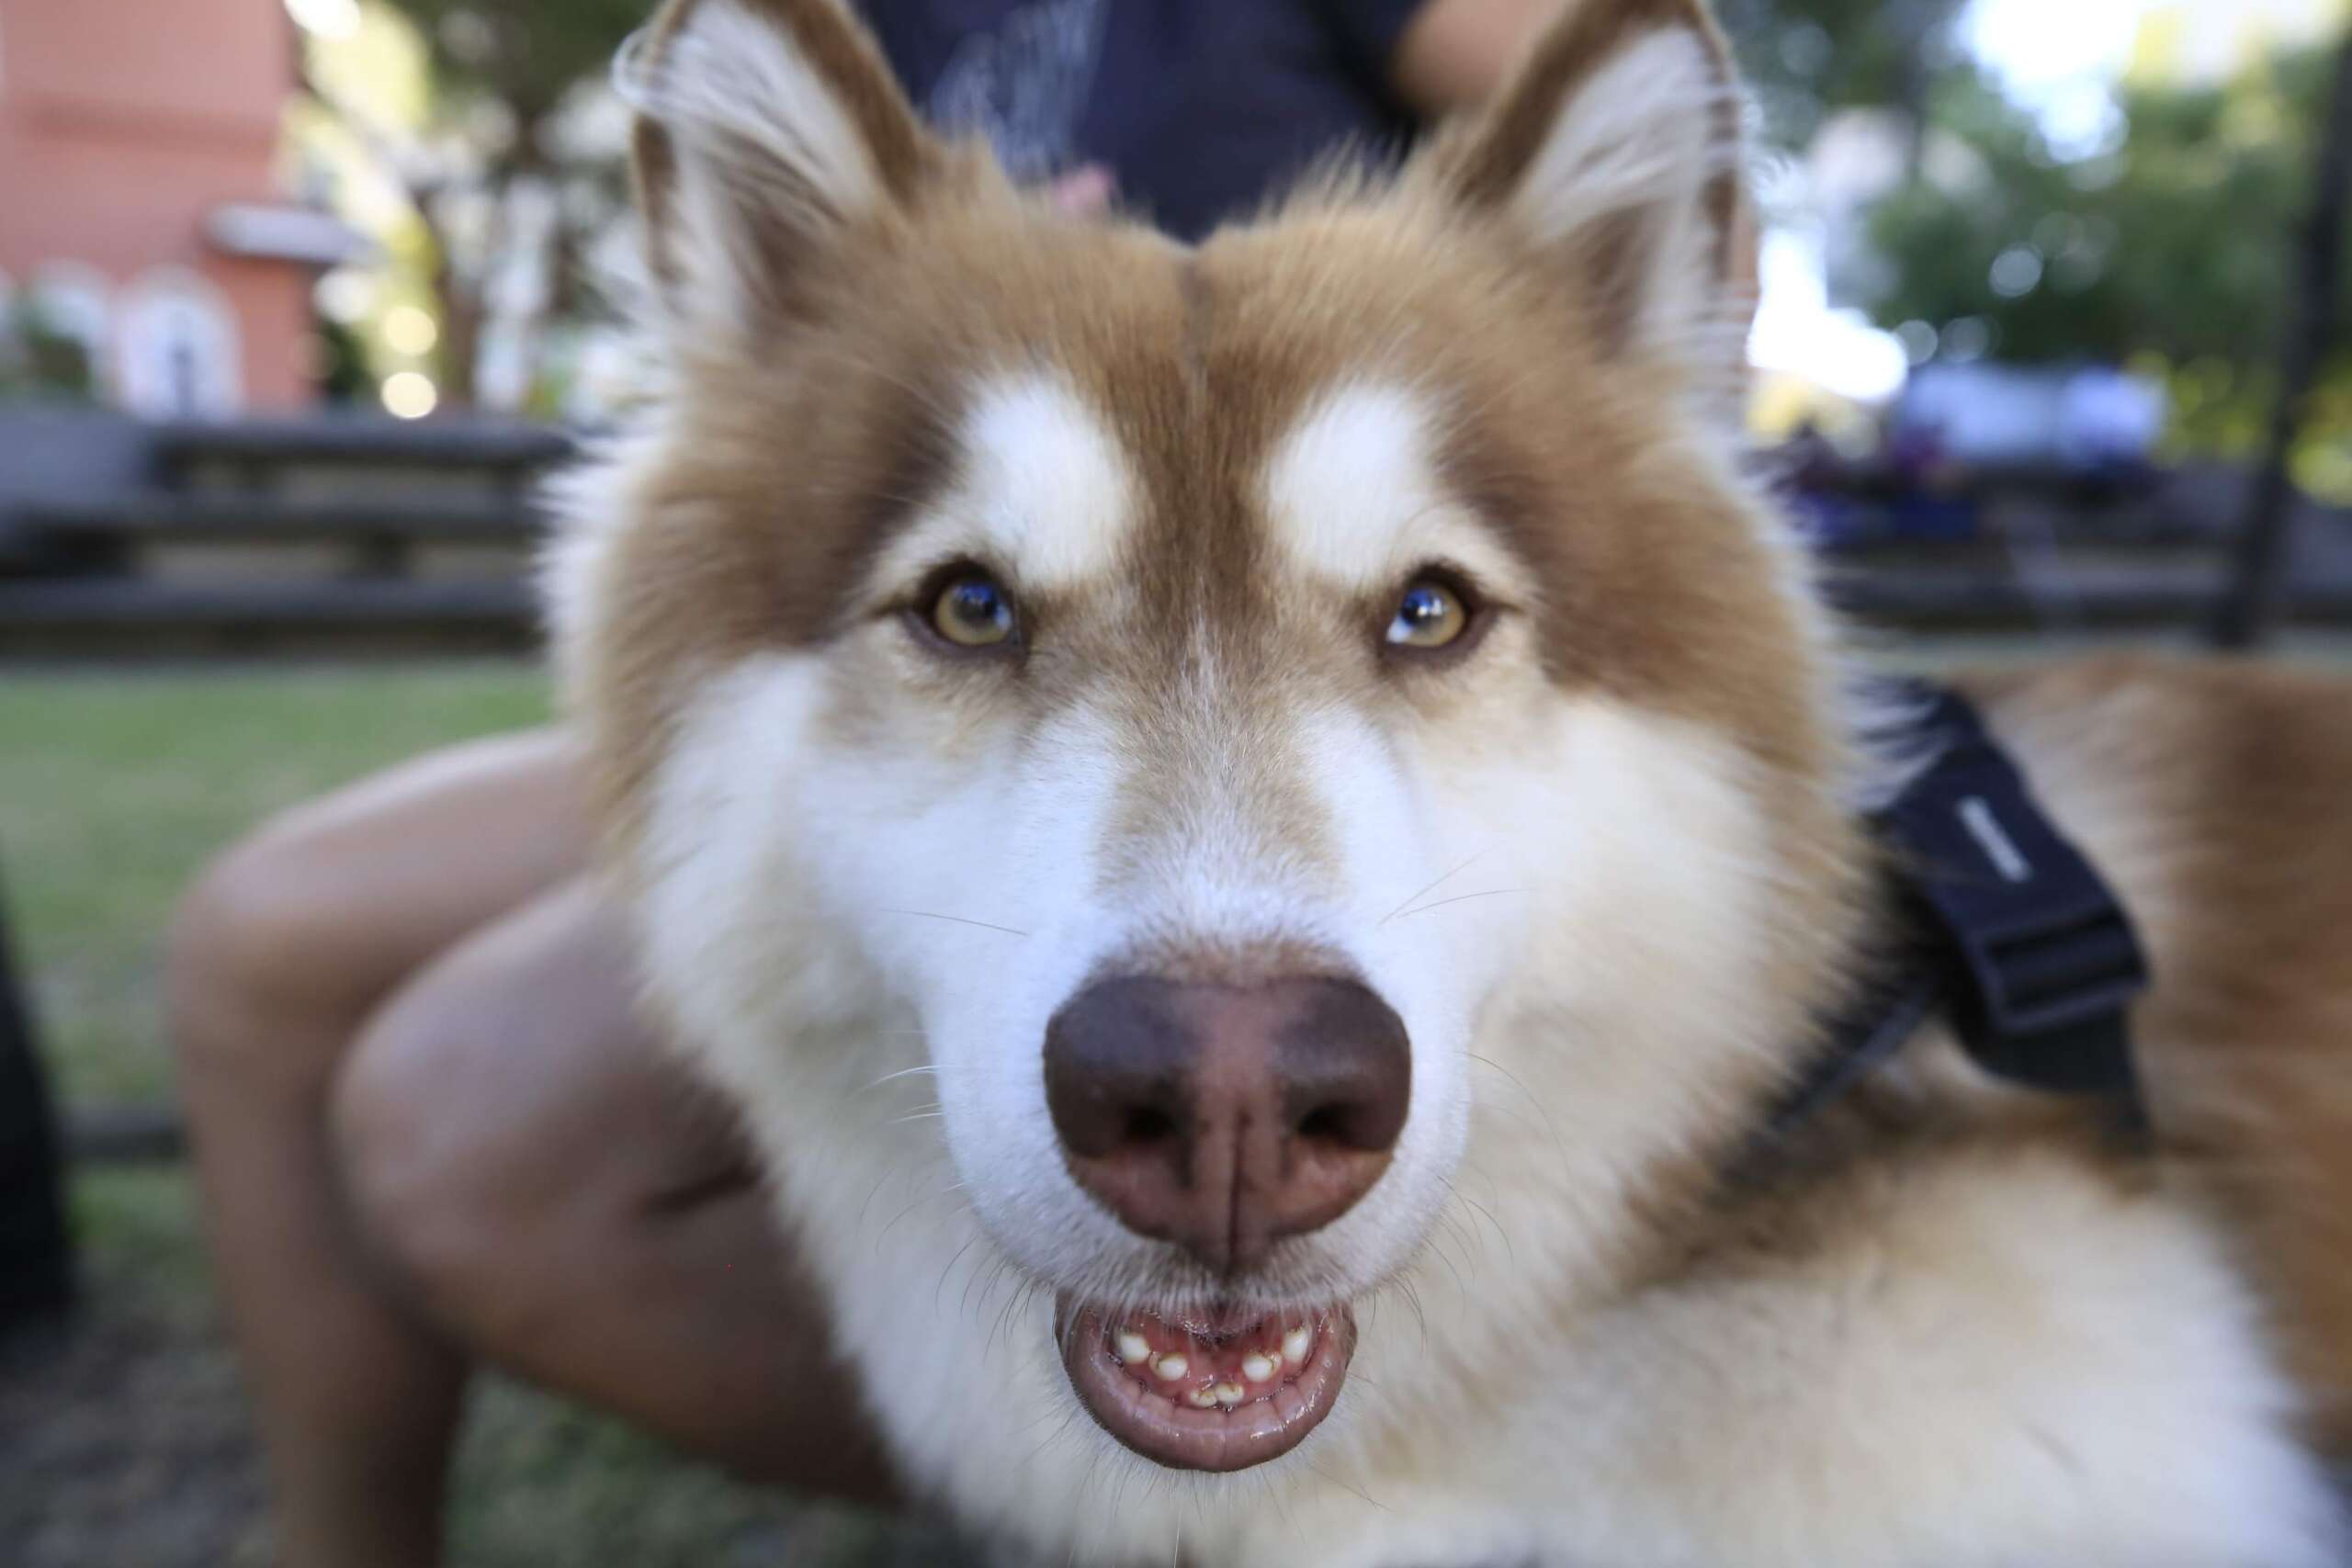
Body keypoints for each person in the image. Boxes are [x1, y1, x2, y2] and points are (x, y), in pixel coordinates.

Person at [167, 5, 1586, 1564]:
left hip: (1281, 577)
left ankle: (1217, 1508)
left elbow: (1579, 108)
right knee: (260, 939)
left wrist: (1195, 304)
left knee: (459, 1136)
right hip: (934, 661)